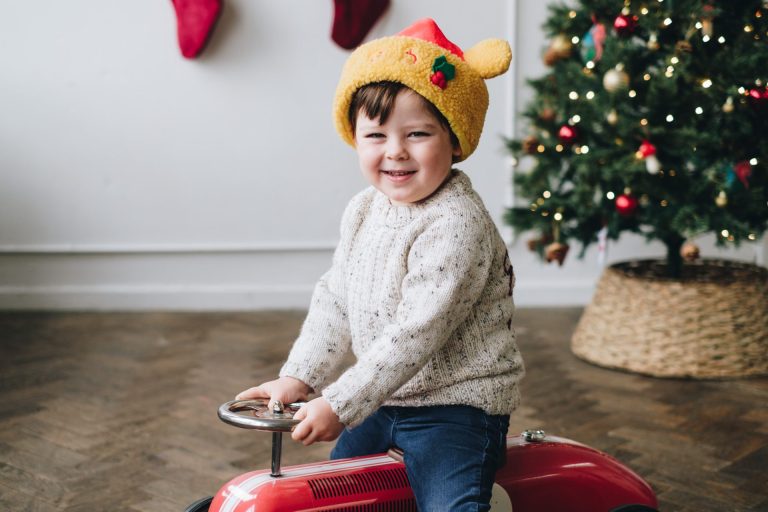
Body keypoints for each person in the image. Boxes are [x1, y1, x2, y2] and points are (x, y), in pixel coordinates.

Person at [237, 17, 524, 511]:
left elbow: (418, 331)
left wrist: (340, 402)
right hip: (384, 399)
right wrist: (300, 376)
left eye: (417, 133)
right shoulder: (365, 209)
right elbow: (336, 297)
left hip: (455, 408)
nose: (395, 151)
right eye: (375, 135)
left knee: (450, 505)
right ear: (355, 137)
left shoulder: (455, 223)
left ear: (454, 140)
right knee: (336, 495)